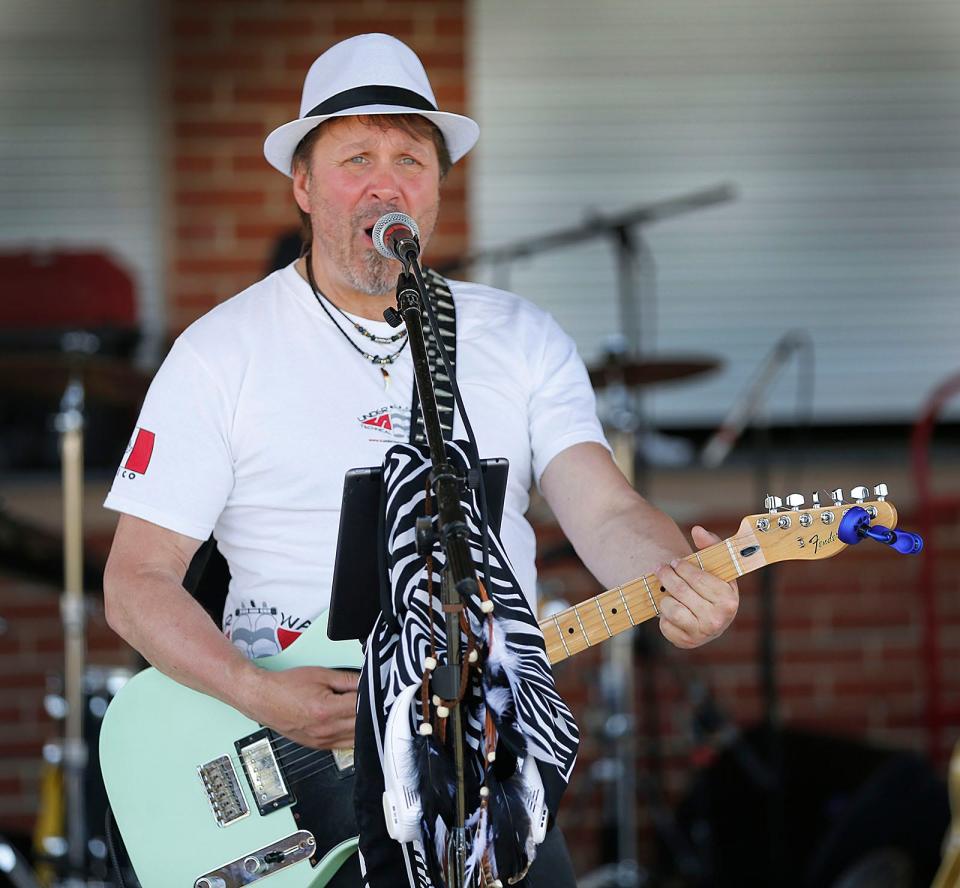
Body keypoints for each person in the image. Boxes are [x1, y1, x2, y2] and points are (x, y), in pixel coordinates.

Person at [102, 33, 739, 887]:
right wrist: (258, 694)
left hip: (485, 758)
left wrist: (678, 581)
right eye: (354, 156)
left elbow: (607, 510)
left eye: (409, 159)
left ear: (436, 188)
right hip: (294, 758)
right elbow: (135, 581)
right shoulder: (221, 352)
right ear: (301, 183)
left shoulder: (518, 339)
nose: (384, 183)